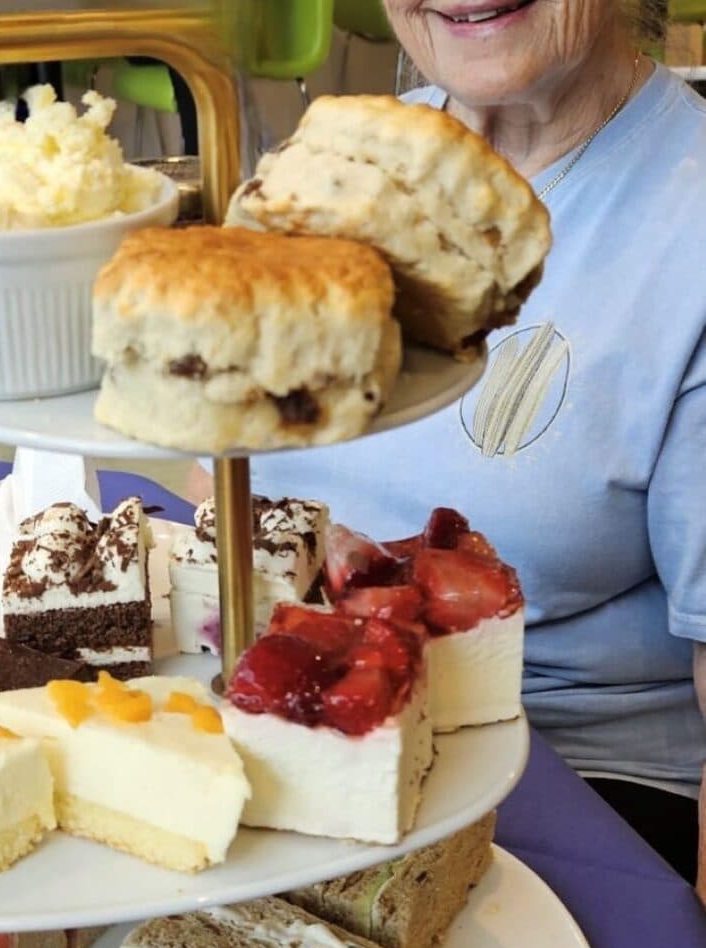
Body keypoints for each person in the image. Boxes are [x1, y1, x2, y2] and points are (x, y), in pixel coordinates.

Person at [231, 0, 706, 886]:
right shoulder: (329, 173)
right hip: (303, 721)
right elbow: (223, 465)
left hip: (573, 775)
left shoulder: (690, 222)